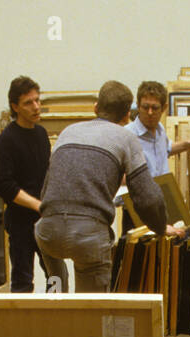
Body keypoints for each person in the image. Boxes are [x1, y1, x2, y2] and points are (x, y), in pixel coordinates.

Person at [35, 80, 182, 292]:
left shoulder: (68, 132)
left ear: (95, 107)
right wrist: (160, 228)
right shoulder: (126, 137)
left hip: (48, 233)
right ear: (126, 116)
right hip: (88, 238)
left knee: (57, 291)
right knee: (93, 310)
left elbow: (48, 186)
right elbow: (148, 198)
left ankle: (56, 294)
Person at [0, 75, 67, 293]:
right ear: (15, 107)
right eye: (28, 103)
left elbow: (47, 173)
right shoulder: (7, 140)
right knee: (23, 281)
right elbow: (5, 185)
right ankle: (23, 326)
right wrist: (37, 205)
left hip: (44, 219)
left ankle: (55, 318)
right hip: (20, 223)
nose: (36, 107)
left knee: (56, 277)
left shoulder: (41, 134)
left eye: (37, 100)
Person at [128, 80, 190, 178]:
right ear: (138, 106)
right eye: (145, 107)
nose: (150, 112)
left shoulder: (160, 130)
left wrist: (188, 144)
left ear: (164, 108)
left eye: (155, 108)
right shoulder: (127, 135)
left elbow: (166, 149)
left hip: (163, 191)